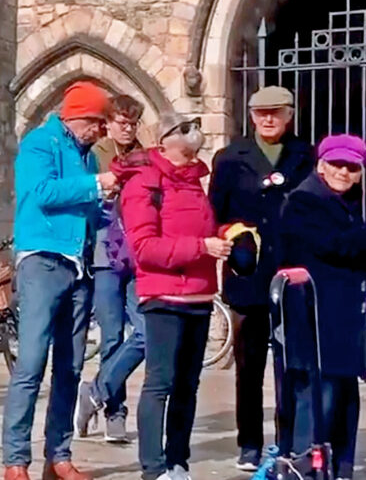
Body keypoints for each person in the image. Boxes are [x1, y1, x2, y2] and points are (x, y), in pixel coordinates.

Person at [2, 81, 117, 480]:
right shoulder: (40, 143)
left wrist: (110, 209)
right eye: (99, 124)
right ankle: (16, 462)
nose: (102, 132)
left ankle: (59, 456)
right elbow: (43, 192)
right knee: (31, 363)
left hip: (79, 267)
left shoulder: (86, 157)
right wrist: (95, 186)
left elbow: (85, 208)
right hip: (43, 263)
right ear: (79, 117)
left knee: (69, 368)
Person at [279, 134, 366, 480]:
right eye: (337, 164)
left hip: (344, 317)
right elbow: (331, 246)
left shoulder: (350, 203)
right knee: (319, 400)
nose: (343, 172)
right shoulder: (303, 201)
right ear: (321, 165)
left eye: (352, 167)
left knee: (345, 399)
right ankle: (309, 468)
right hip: (314, 318)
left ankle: (341, 469)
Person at [117, 111, 232, 480]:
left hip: (199, 296)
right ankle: (153, 468)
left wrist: (231, 235)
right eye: (185, 128)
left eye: (195, 125)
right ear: (165, 140)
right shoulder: (144, 183)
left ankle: (178, 462)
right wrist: (203, 247)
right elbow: (145, 247)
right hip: (163, 297)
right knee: (160, 383)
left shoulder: (196, 181)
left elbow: (205, 227)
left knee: (188, 385)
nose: (194, 132)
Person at [208, 85, 314, 471]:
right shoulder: (229, 158)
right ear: (251, 116)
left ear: (290, 115)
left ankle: (290, 440)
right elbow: (214, 213)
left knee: (292, 365)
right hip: (248, 273)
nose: (268, 119)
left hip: (291, 273)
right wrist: (230, 235)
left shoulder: (307, 156)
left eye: (277, 112)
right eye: (260, 113)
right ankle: (249, 444)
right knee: (249, 366)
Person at [76, 94, 147, 443]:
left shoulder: (146, 157)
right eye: (122, 122)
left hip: (139, 255)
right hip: (105, 255)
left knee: (147, 333)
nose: (128, 129)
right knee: (111, 336)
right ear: (109, 123)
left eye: (133, 123)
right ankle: (114, 414)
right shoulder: (94, 156)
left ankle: (94, 391)